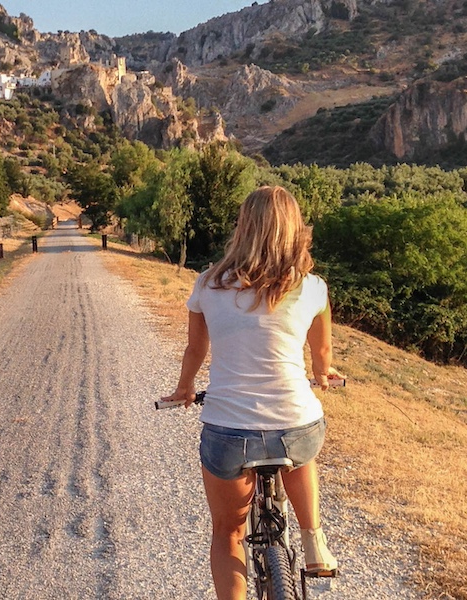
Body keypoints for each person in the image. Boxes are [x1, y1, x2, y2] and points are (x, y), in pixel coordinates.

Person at [160, 185, 342, 599]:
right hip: (295, 425)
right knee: (300, 435)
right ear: (295, 232)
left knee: (228, 532)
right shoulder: (313, 287)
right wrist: (325, 376)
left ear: (242, 227)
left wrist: (185, 389)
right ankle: (313, 537)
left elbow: (195, 349)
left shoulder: (208, 284)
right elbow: (323, 354)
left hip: (229, 432)